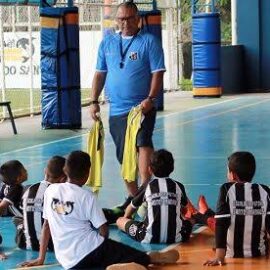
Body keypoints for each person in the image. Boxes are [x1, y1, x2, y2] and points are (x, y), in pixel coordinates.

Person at [20, 151, 179, 270]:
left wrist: (41, 258)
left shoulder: (50, 191)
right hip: (91, 249)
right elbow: (104, 231)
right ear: (87, 173)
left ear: (65, 170)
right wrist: (104, 250)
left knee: (94, 262)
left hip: (68, 262)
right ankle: (147, 259)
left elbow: (46, 226)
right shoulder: (86, 196)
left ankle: (111, 265)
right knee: (129, 255)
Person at [89, 1, 166, 203]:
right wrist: (93, 101)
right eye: (122, 18)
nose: (126, 22)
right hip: (116, 111)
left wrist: (150, 99)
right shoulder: (107, 43)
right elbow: (99, 74)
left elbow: (158, 73)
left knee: (143, 143)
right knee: (125, 160)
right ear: (116, 20)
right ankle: (137, 200)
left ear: (138, 19)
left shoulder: (149, 41)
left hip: (141, 108)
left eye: (130, 18)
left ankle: (147, 188)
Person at [204, 151, 270, 266]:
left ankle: (202, 213)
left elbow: (221, 224)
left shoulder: (226, 189)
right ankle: (204, 212)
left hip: (231, 255)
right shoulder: (265, 191)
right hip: (259, 254)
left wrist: (220, 257)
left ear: (233, 175)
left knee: (215, 227)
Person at [116, 149, 193, 243]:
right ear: (172, 168)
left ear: (150, 169)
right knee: (191, 221)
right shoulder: (178, 186)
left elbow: (130, 209)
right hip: (176, 237)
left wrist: (127, 217)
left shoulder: (146, 186)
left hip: (147, 237)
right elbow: (184, 209)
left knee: (120, 221)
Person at [14, 156, 66, 250]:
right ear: (63, 179)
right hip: (50, 245)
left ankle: (21, 224)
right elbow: (65, 216)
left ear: (45, 171)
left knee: (19, 218)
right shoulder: (59, 193)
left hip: (24, 243)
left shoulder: (28, 189)